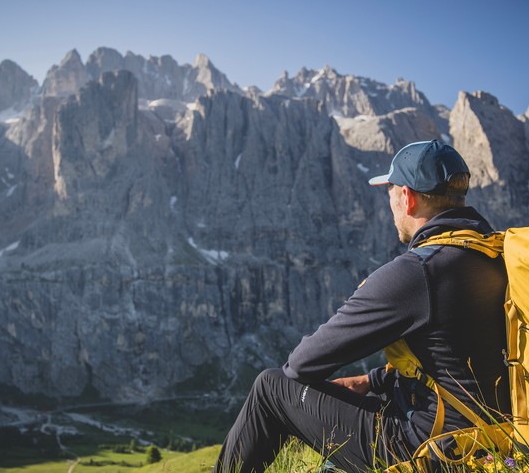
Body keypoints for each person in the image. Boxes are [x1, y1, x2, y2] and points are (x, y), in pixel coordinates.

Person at [215, 140, 510, 472]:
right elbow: (453, 356)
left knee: (271, 386)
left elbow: (301, 365)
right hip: (498, 442)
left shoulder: (417, 271)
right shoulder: (495, 254)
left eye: (391, 193)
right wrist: (372, 380)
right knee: (374, 400)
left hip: (438, 453)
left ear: (408, 198)